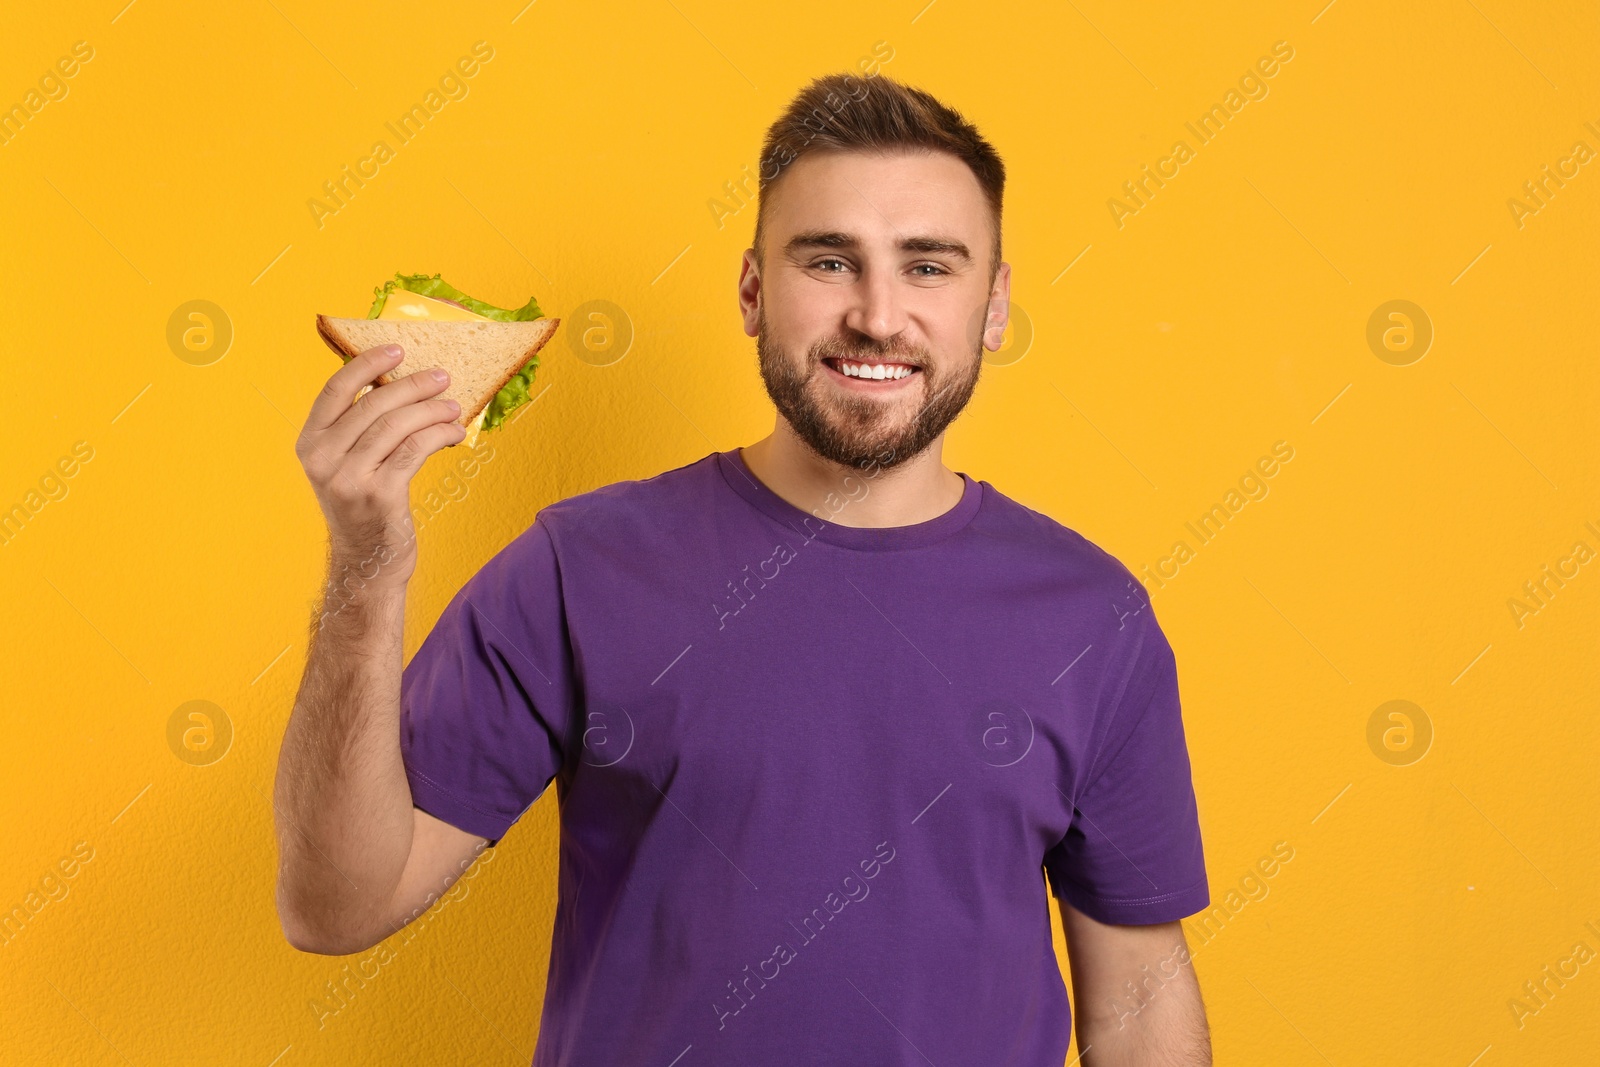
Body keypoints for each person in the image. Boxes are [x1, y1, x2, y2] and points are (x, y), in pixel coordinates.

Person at [274, 70, 1213, 1065]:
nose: (878, 315)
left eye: (928, 266)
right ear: (752, 291)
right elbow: (336, 905)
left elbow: (1137, 1001)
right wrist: (365, 566)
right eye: (829, 261)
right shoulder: (578, 568)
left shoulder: (1090, 617)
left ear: (993, 303)